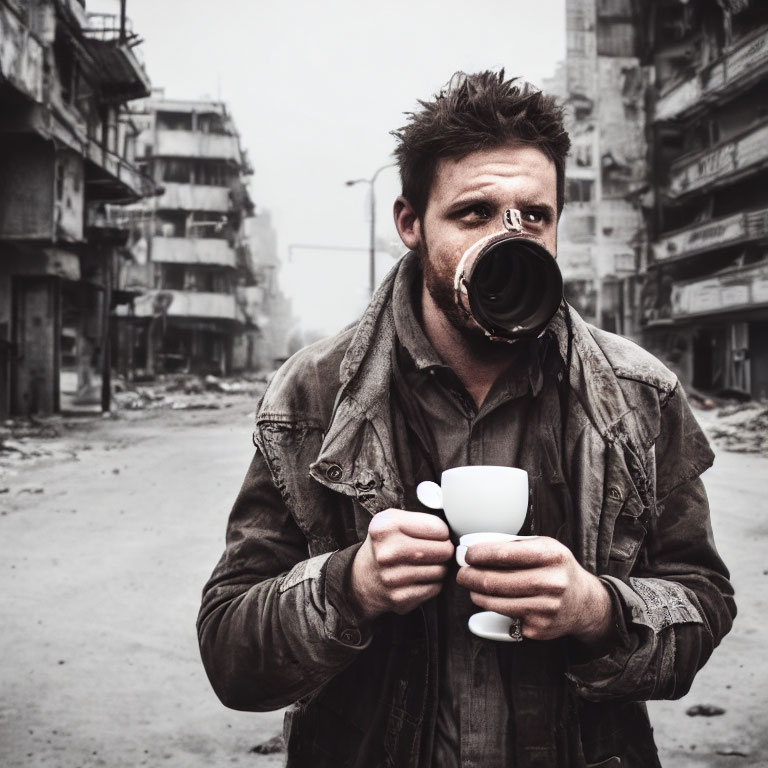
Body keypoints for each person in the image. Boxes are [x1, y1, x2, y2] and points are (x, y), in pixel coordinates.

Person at [197, 71, 735, 768]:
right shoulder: (313, 394)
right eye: (474, 214)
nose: (509, 240)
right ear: (411, 223)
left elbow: (703, 604)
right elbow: (231, 656)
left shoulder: (636, 393)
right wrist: (350, 585)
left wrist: (596, 611)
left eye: (533, 217)